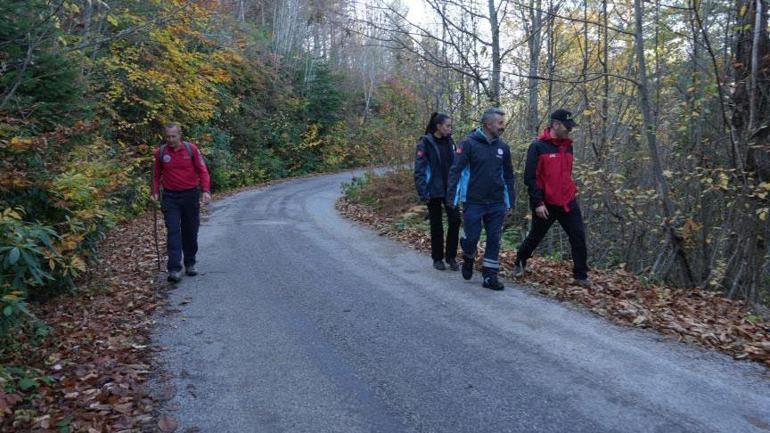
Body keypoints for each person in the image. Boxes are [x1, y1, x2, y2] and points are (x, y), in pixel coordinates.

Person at [514, 109, 589, 286]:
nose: (570, 130)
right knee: (536, 236)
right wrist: (538, 202)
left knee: (578, 235)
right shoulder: (538, 146)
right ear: (555, 124)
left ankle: (581, 276)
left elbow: (566, 173)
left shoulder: (568, 145)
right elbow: (530, 177)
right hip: (545, 203)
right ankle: (520, 260)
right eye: (567, 126)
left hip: (567, 201)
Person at [447, 108, 516, 291]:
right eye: (500, 123)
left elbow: (509, 176)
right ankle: (468, 255)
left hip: (496, 202)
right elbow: (456, 171)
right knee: (473, 238)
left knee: (494, 238)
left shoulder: (503, 148)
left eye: (503, 122)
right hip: (473, 201)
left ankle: (489, 276)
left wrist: (511, 202)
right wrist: (452, 199)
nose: (503, 126)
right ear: (488, 124)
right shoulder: (468, 144)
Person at [151, 122, 211, 283]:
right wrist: (155, 192)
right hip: (170, 197)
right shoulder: (161, 153)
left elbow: (202, 170)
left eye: (173, 136)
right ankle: (174, 269)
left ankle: (190, 263)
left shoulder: (191, 149)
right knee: (173, 231)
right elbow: (156, 175)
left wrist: (205, 190)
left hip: (190, 195)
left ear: (180, 135)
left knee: (190, 230)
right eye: (168, 136)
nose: (170, 139)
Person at [414, 112, 462, 271]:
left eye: (450, 126)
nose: (450, 129)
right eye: (448, 126)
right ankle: (437, 258)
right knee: (436, 225)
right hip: (433, 191)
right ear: (438, 126)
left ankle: (451, 257)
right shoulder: (425, 143)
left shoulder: (450, 142)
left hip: (450, 190)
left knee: (455, 220)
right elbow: (419, 170)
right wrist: (423, 192)